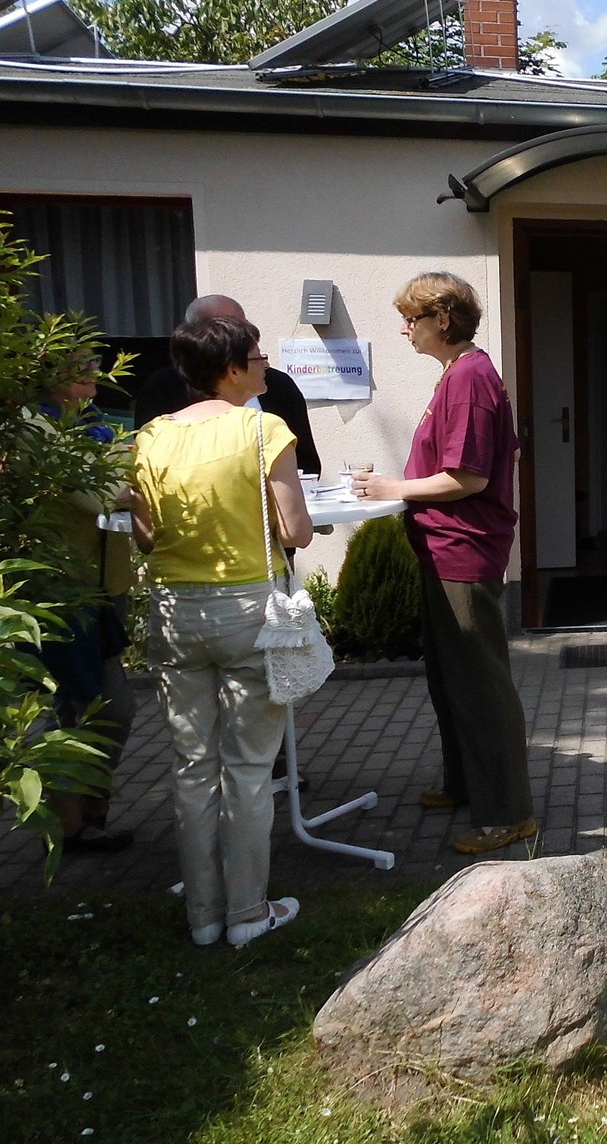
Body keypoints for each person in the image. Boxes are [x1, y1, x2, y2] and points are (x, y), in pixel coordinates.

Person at [129, 316, 312, 946]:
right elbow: (295, 532)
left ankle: (203, 918)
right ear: (232, 368)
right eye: (258, 357)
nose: (266, 366)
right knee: (249, 767)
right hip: (246, 608)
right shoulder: (264, 428)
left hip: (174, 609)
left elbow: (146, 535)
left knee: (191, 766)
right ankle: (247, 914)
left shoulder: (150, 436)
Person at [353, 272, 537, 854]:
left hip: (464, 550)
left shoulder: (471, 380)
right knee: (450, 677)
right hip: (442, 548)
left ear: (444, 320)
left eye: (413, 318)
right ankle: (465, 784)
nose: (405, 328)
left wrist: (395, 489)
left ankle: (507, 812)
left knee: (480, 683)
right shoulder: (456, 375)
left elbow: (468, 477)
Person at [30, 349, 137, 852]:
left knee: (97, 706)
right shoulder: (35, 427)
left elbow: (132, 470)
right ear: (52, 374)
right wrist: (124, 478)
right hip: (61, 589)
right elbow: (101, 495)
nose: (97, 371)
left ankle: (87, 813)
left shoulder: (90, 420)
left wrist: (125, 477)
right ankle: (72, 823)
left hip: (105, 585)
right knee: (91, 705)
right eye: (84, 364)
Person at [134, 294, 321, 475]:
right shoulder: (163, 389)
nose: (243, 334)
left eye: (243, 324)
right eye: (226, 326)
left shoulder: (277, 386)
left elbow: (307, 464)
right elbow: (149, 471)